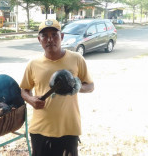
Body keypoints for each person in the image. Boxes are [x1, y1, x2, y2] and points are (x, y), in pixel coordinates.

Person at [20, 19, 94, 156]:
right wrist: (30, 100)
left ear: (62, 36)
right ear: (39, 39)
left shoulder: (76, 59)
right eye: (45, 36)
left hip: (69, 128)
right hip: (40, 130)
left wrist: (77, 87)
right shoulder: (33, 64)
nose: (50, 39)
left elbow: (90, 86)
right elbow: (24, 90)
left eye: (54, 34)